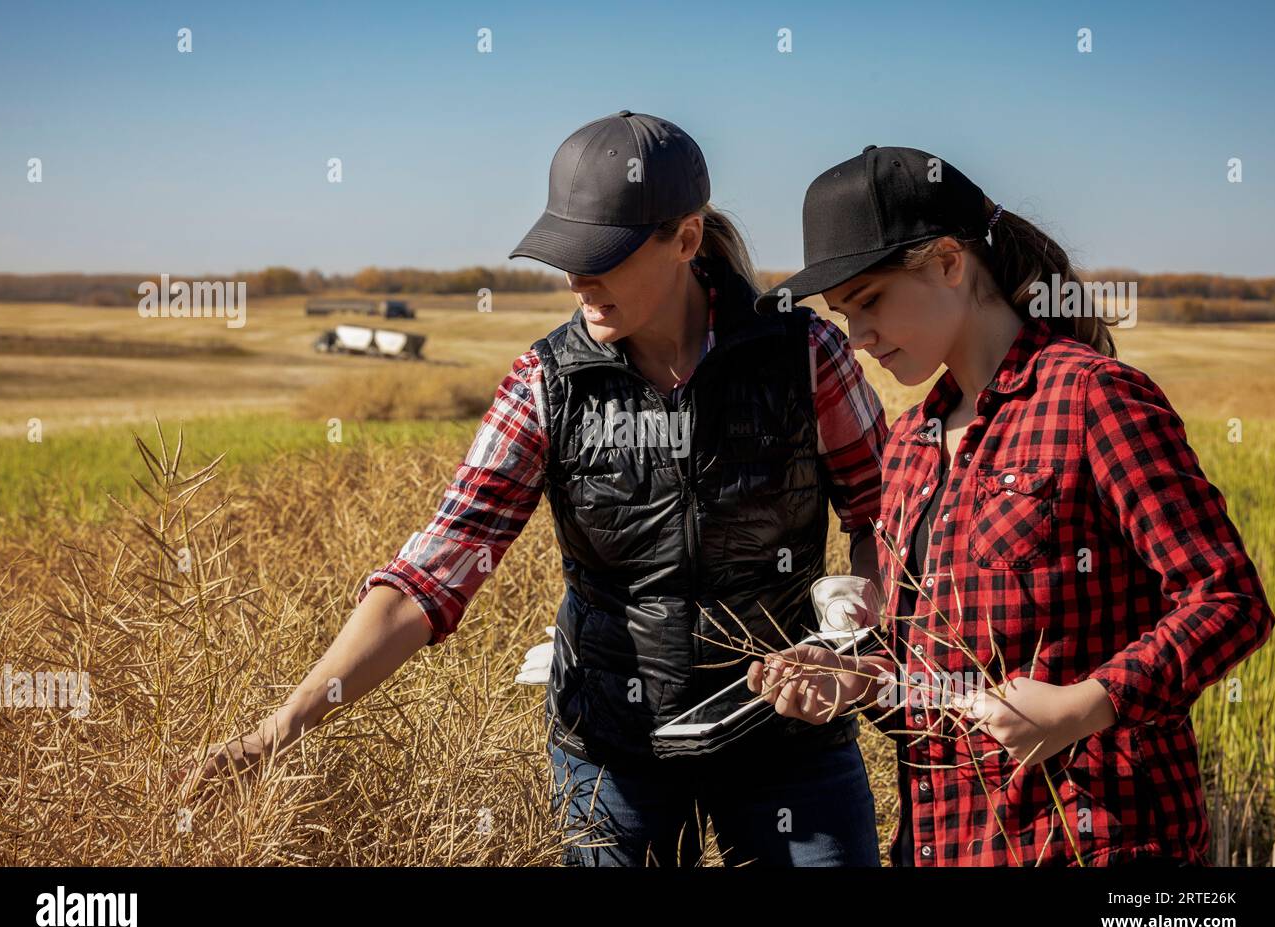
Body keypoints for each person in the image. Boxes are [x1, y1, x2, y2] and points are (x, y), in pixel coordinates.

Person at [179, 112, 889, 867]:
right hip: (617, 753)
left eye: (602, 257)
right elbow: (434, 572)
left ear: (684, 240)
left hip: (786, 742)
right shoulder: (548, 385)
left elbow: (889, 515)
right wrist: (276, 732)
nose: (577, 279)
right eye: (567, 255)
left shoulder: (801, 354)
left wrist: (852, 642)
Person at [748, 145, 1275, 866]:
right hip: (947, 845)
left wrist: (1084, 704)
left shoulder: (1093, 398)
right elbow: (928, 671)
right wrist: (855, 679)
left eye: (870, 300)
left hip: (1094, 844)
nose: (859, 336)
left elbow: (1229, 600)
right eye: (844, 314)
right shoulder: (909, 443)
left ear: (947, 262)